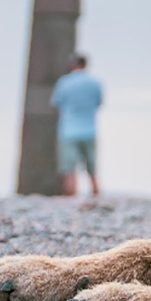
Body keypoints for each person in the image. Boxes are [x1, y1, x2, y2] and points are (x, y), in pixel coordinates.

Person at [52, 53, 103, 197]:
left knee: (69, 169)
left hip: (69, 129)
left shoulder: (65, 82)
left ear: (72, 65)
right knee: (92, 166)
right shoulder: (94, 82)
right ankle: (95, 194)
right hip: (89, 129)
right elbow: (99, 102)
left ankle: (71, 196)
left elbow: (57, 103)